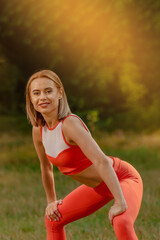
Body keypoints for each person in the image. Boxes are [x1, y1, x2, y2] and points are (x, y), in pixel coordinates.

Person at [26, 69, 143, 240]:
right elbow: (46, 167)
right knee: (53, 219)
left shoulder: (69, 124)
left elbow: (101, 161)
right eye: (36, 93)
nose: (42, 97)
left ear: (60, 93)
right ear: (31, 99)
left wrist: (119, 201)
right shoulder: (38, 130)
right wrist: (51, 201)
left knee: (121, 220)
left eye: (48, 91)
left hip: (121, 178)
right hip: (98, 187)